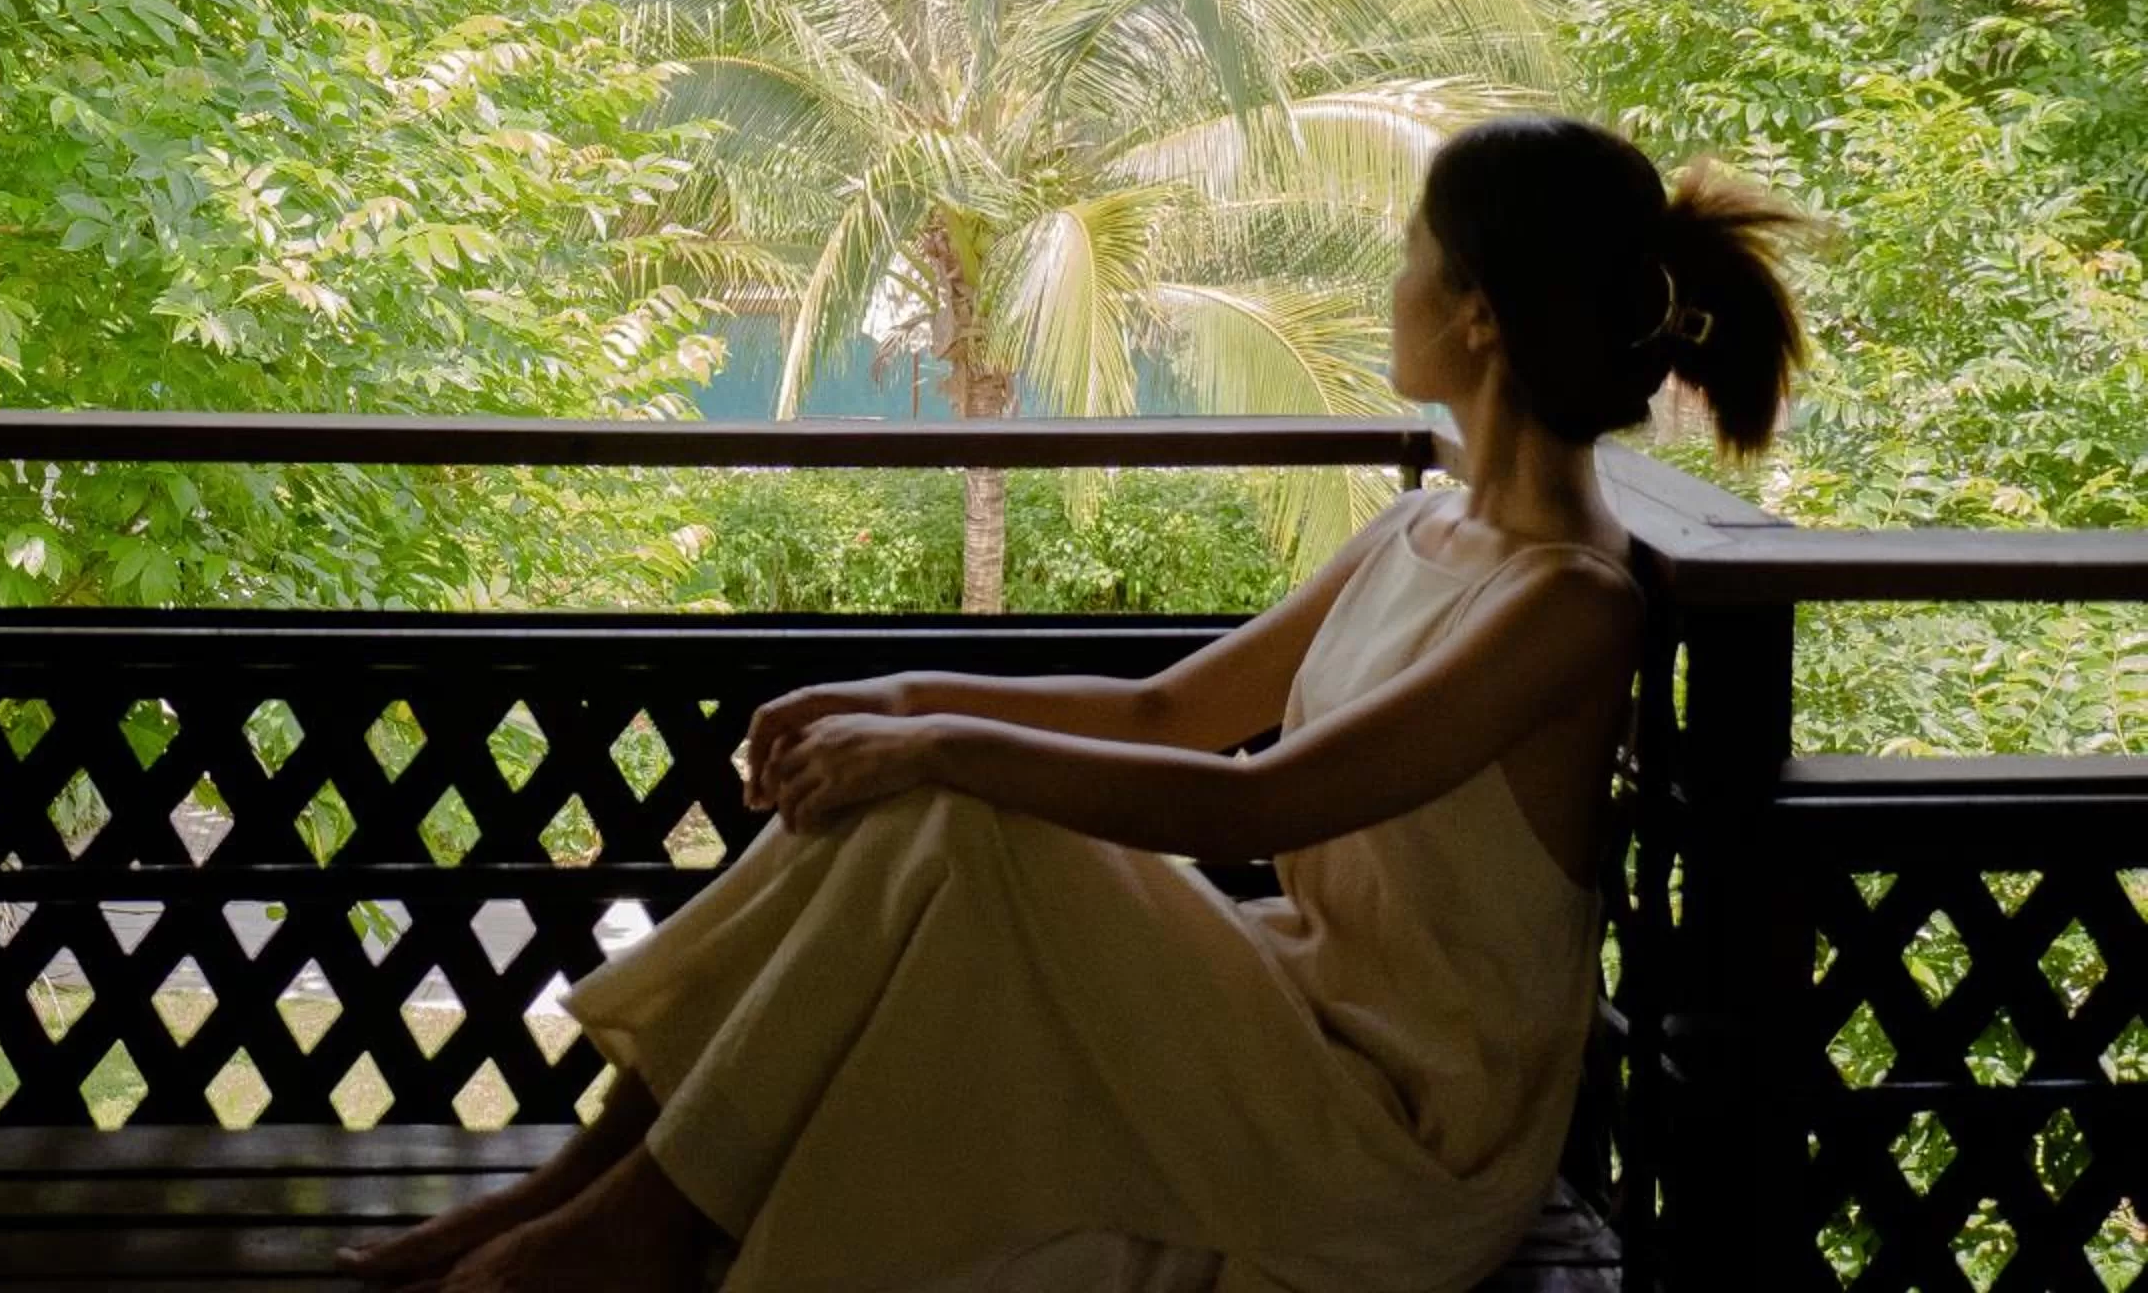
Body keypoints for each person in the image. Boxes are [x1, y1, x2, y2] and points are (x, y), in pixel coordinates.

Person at [336, 115, 1810, 1293]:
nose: (1393, 287)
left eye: (1413, 257)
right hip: (1289, 1017)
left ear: (1479, 315)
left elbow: (1258, 799)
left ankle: (623, 1230)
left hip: (1395, 1141)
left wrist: (931, 738)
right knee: (929, 799)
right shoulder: (1418, 534)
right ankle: (593, 1196)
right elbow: (1176, 711)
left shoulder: (1568, 602)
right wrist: (901, 689)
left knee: (957, 810)